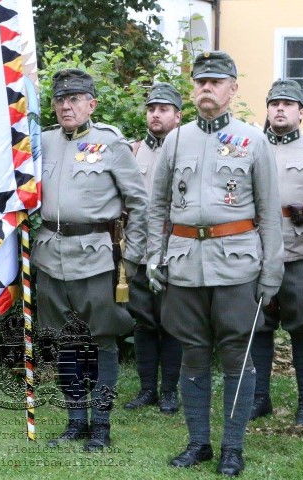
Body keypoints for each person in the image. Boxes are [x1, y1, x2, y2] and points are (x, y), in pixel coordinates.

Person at [146, 51, 284, 476]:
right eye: (200, 81)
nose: (206, 88)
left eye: (216, 81)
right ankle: (198, 443)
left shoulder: (253, 140)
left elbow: (269, 211)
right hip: (185, 263)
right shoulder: (176, 139)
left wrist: (272, 270)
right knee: (193, 353)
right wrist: (154, 255)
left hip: (236, 265)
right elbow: (157, 206)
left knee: (237, 356)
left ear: (232, 89)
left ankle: (233, 448)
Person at [34, 68, 148, 452]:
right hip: (50, 255)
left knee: (101, 341)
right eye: (60, 100)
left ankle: (100, 425)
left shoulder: (110, 143)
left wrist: (132, 257)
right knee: (64, 341)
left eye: (74, 99)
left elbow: (139, 202)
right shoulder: (43, 142)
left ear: (91, 104)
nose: (66, 106)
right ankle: (75, 421)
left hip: (97, 256)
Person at [249, 79, 303, 428]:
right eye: (274, 104)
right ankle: (260, 398)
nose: (280, 109)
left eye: (287, 104)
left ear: (301, 112)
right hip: (258, 256)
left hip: (301, 256)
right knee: (258, 328)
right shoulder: (252, 147)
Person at [124, 82, 183, 415]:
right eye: (151, 109)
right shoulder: (133, 151)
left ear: (178, 116)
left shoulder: (185, 150)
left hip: (174, 250)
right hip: (140, 249)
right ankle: (147, 388)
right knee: (143, 321)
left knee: (172, 321)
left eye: (163, 109)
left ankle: (170, 391)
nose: (155, 114)